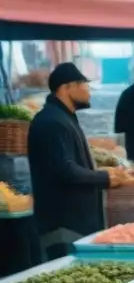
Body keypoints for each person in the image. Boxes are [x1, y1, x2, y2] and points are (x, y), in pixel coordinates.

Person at [28, 63, 123, 254]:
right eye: (84, 85)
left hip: (77, 224)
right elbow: (64, 169)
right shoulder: (50, 122)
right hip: (62, 226)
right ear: (66, 88)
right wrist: (105, 178)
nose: (89, 92)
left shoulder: (64, 118)